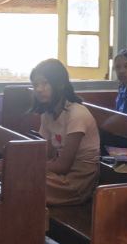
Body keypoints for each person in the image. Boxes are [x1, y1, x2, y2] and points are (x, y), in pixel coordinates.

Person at [31, 58, 100, 207]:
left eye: (45, 83)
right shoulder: (47, 114)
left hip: (77, 182)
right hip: (59, 175)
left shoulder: (77, 114)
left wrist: (28, 166)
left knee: (25, 182)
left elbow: (64, 165)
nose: (39, 89)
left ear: (60, 84)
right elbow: (47, 153)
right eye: (35, 85)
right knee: (16, 176)